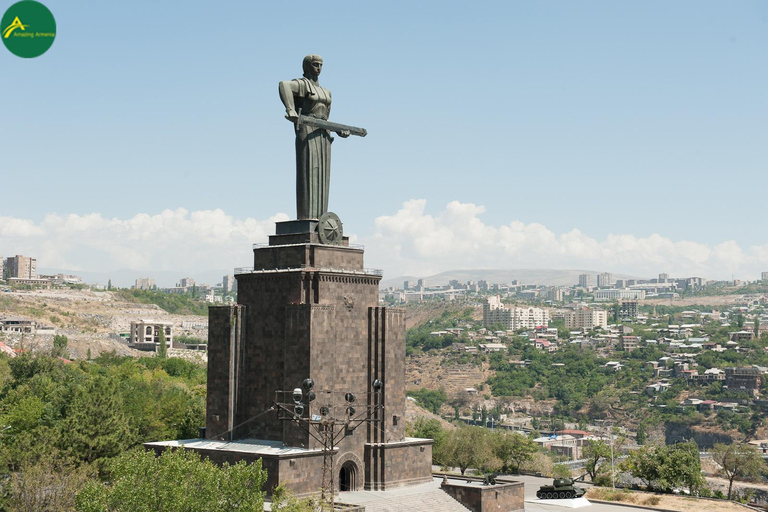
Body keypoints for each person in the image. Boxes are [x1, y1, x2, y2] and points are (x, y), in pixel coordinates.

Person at [279, 54, 348, 220]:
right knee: (308, 174)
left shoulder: (326, 92)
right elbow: (284, 85)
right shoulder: (303, 85)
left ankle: (321, 219)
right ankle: (306, 218)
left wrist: (338, 130)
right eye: (315, 64)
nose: (318, 68)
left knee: (323, 176)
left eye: (321, 65)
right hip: (307, 131)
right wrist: (290, 109)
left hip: (324, 134)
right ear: (307, 66)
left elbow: (326, 117)